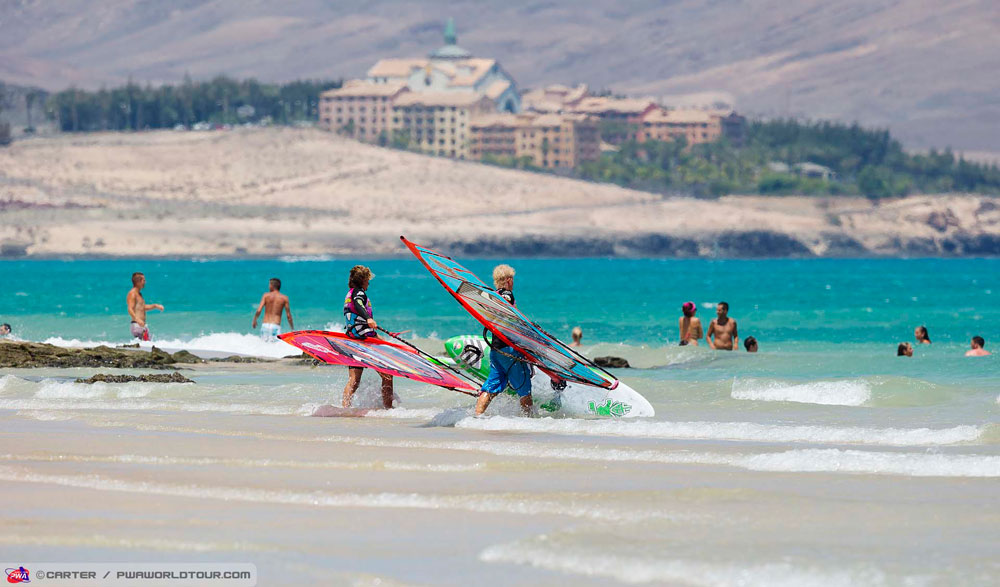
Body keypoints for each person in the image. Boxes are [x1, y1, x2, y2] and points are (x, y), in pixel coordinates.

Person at [476, 264, 534, 416]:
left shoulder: (492, 296)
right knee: (524, 390)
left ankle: (477, 417)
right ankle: (530, 421)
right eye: (512, 279)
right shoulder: (507, 294)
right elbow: (506, 300)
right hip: (510, 350)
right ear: (508, 280)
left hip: (495, 349)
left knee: (490, 388)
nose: (513, 282)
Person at [342, 265, 394, 409]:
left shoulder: (349, 293)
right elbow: (358, 305)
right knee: (387, 374)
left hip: (353, 340)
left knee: (354, 379)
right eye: (368, 280)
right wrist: (368, 319)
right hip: (366, 340)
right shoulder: (359, 293)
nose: (369, 283)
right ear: (363, 279)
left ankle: (345, 408)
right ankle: (388, 409)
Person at [252, 277, 294, 342]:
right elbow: (288, 316)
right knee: (275, 347)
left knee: (264, 346)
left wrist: (254, 320)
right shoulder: (284, 298)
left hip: (265, 325)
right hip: (275, 326)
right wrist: (292, 328)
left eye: (269, 285)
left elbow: (259, 310)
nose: (269, 286)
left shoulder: (266, 296)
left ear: (272, 286)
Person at [126, 272, 163, 341]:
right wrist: (137, 319)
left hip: (141, 325)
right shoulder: (132, 294)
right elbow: (130, 309)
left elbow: (142, 308)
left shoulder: (139, 294)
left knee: (147, 344)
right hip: (137, 325)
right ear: (138, 282)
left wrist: (155, 306)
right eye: (144, 280)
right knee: (147, 345)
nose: (145, 282)